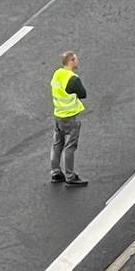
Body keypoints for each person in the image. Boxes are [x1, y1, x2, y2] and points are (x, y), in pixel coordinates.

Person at [49, 51, 89, 187]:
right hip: (70, 116)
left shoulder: (57, 73)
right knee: (70, 146)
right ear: (71, 61)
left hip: (58, 114)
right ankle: (70, 176)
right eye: (76, 59)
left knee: (57, 144)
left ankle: (55, 172)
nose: (78, 61)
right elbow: (83, 94)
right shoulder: (72, 79)